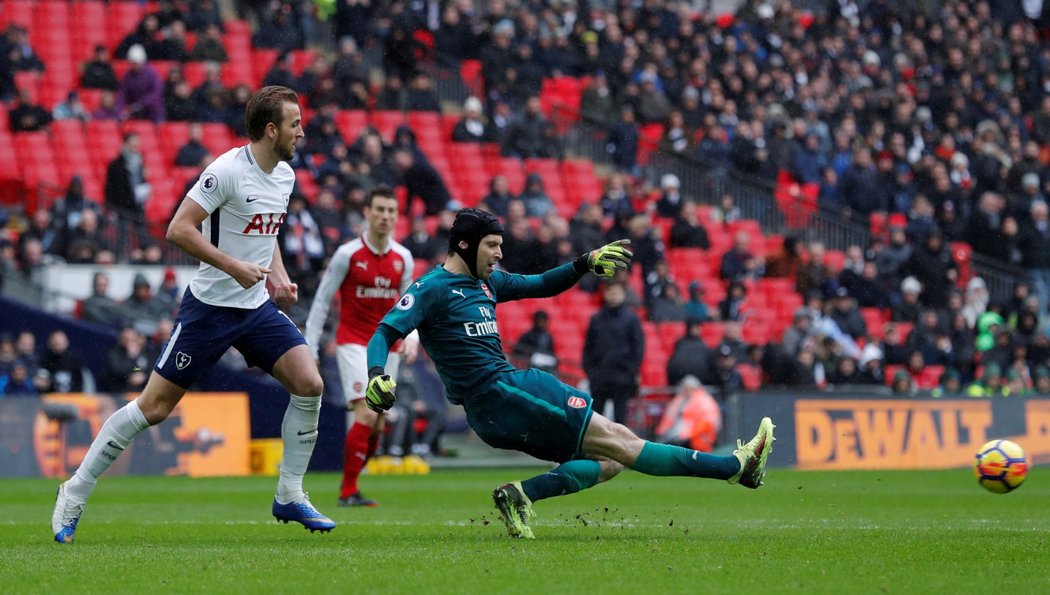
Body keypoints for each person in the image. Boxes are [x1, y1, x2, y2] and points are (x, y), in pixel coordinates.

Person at [362, 208, 774, 539]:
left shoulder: (486, 284)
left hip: (495, 411)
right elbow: (385, 331)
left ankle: (521, 495)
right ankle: (734, 467)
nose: (499, 254)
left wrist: (584, 263)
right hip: (504, 391)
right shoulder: (432, 287)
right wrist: (377, 374)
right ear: (464, 245)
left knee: (611, 459)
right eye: (492, 246)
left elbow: (541, 283)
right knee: (622, 442)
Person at [51, 86, 335, 544]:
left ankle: (289, 493)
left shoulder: (284, 176)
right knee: (154, 407)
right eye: (295, 123)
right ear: (271, 129)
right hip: (209, 308)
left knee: (311, 383)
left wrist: (276, 276)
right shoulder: (225, 171)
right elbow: (177, 229)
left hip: (255, 306)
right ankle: (76, 488)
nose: (302, 132)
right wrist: (234, 266)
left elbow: (268, 233)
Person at [303, 186, 418, 508]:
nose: (385, 216)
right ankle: (347, 492)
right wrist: (310, 349)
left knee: (378, 422)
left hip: (387, 349)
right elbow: (323, 301)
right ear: (366, 212)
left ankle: (352, 485)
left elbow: (413, 305)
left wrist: (411, 338)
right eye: (379, 209)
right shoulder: (347, 254)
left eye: (391, 211)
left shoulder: (403, 258)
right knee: (366, 414)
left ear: (397, 216)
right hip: (353, 344)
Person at [583, 281, 644, 424]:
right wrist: (590, 371)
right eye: (610, 292)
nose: (613, 296)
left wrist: (630, 371)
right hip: (599, 377)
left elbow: (638, 348)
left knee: (620, 419)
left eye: (617, 292)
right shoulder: (596, 319)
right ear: (605, 294)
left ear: (623, 295)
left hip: (622, 377)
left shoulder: (631, 319)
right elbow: (588, 347)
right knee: (595, 419)